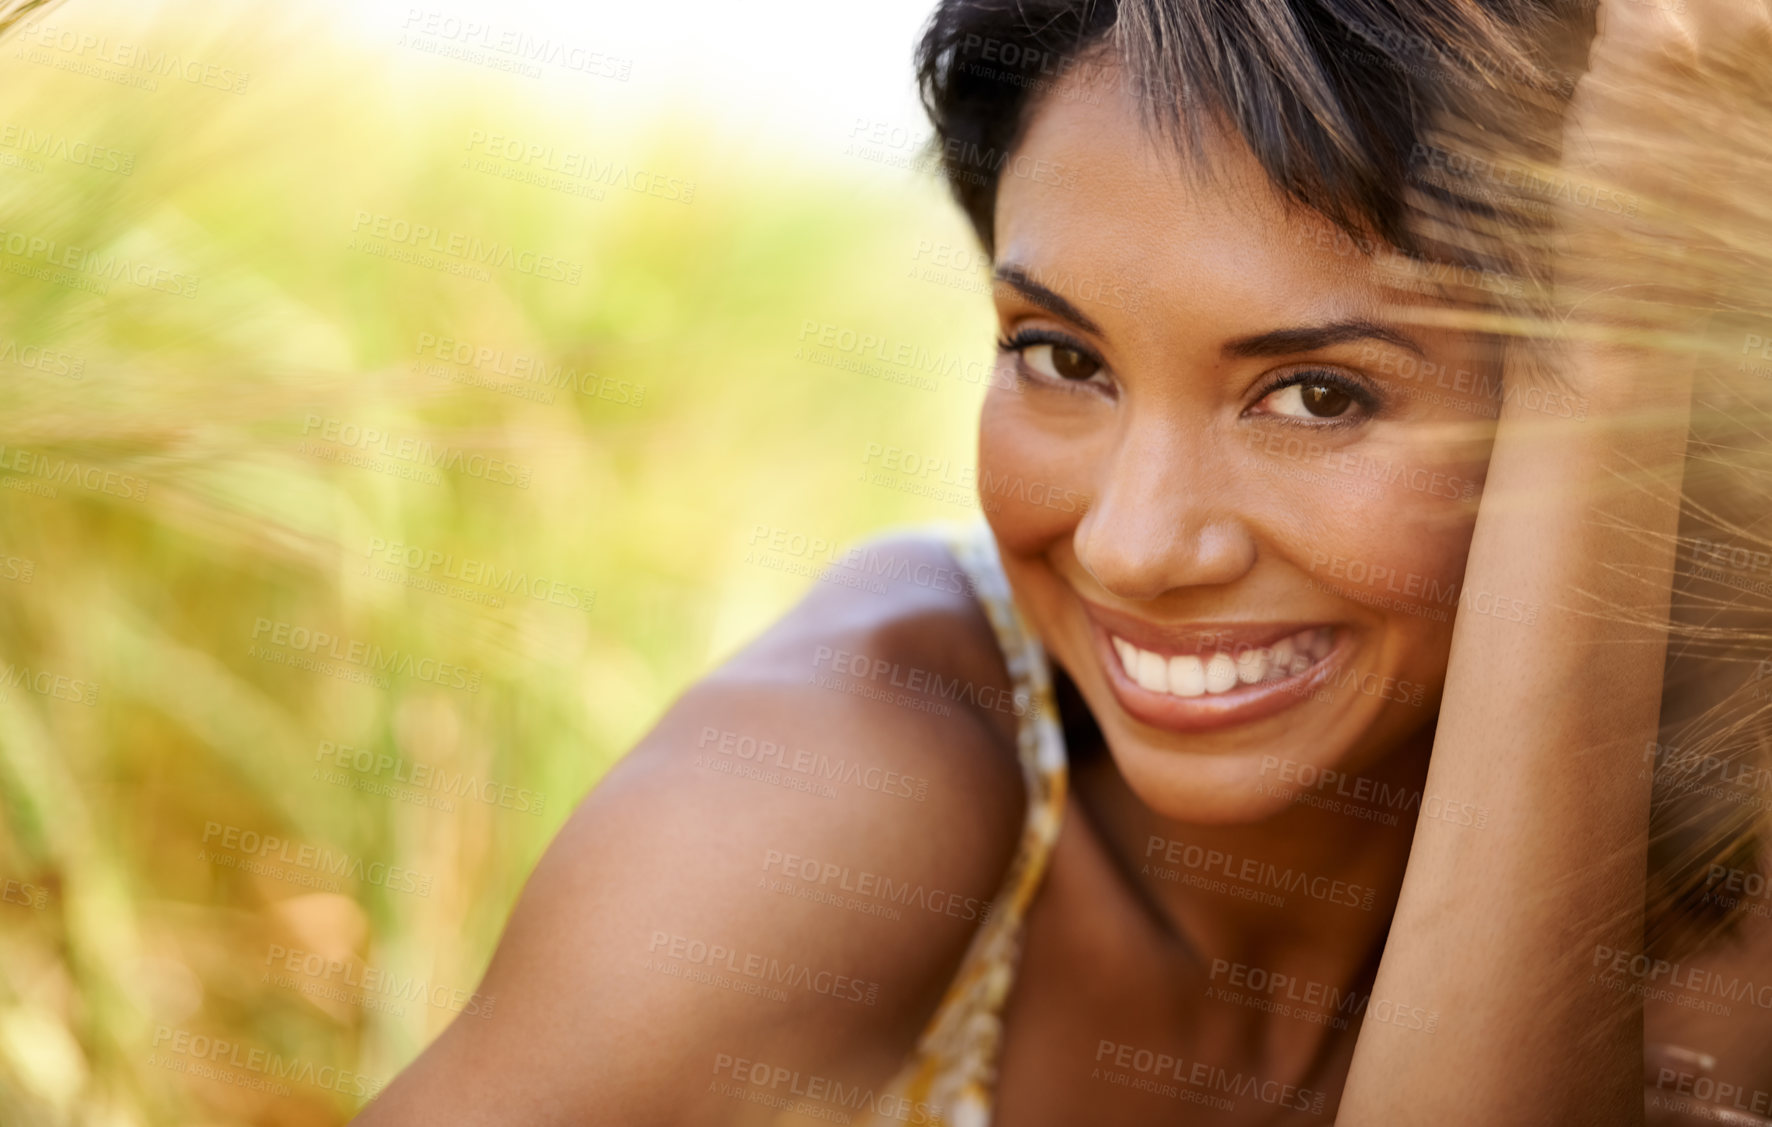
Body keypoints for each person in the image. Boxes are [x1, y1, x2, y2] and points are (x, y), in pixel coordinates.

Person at [355, 0, 1772, 1122]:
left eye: (1319, 395)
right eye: (1061, 356)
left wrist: (1616, 348)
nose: (1132, 545)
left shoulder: (1719, 855)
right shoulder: (827, 794)